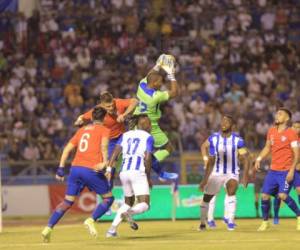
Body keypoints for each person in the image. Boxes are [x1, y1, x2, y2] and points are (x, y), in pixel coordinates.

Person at [41, 107, 114, 242]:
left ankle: (48, 228)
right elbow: (104, 147)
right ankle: (91, 220)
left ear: (92, 118)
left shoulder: (82, 130)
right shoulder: (104, 130)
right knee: (108, 198)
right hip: (91, 169)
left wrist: (61, 168)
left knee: (67, 201)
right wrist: (105, 164)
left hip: (75, 169)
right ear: (104, 118)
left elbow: (67, 149)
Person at [199, 115, 250, 231]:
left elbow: (246, 158)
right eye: (222, 121)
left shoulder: (238, 141)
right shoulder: (213, 138)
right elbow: (210, 161)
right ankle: (203, 222)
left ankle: (230, 221)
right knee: (207, 198)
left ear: (232, 125)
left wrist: (245, 176)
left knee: (231, 191)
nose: (223, 123)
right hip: (216, 173)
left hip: (232, 172)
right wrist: (204, 179)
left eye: (227, 122)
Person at [105, 115, 153, 237]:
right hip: (137, 171)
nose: (151, 126)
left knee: (127, 202)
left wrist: (109, 169)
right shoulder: (148, 137)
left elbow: (115, 154)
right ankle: (130, 213)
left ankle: (112, 230)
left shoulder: (125, 135)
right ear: (142, 125)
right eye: (149, 123)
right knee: (145, 204)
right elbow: (147, 158)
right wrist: (148, 177)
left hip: (124, 172)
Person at [133, 54, 179, 181]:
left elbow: (149, 75)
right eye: (159, 81)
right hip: (150, 125)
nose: (161, 83)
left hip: (136, 123)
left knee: (142, 152)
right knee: (168, 148)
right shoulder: (155, 96)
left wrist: (158, 65)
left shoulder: (141, 85)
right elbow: (175, 92)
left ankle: (159, 172)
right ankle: (159, 171)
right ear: (153, 83)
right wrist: (171, 74)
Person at [255, 108, 300, 231]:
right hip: (273, 171)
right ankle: (265, 222)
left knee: (282, 196)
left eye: (280, 114)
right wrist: (259, 159)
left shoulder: (291, 133)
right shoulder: (271, 131)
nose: (277, 115)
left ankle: (299, 216)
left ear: (287, 118)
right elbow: (267, 147)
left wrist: (291, 171)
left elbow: (297, 154)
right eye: (277, 113)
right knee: (264, 196)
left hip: (285, 171)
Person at [271, 120, 300, 225]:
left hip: (296, 171)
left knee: (299, 189)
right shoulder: (286, 138)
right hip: (283, 170)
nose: (297, 129)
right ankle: (275, 215)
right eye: (295, 127)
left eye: (298, 127)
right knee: (280, 195)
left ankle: (299, 216)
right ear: (291, 127)